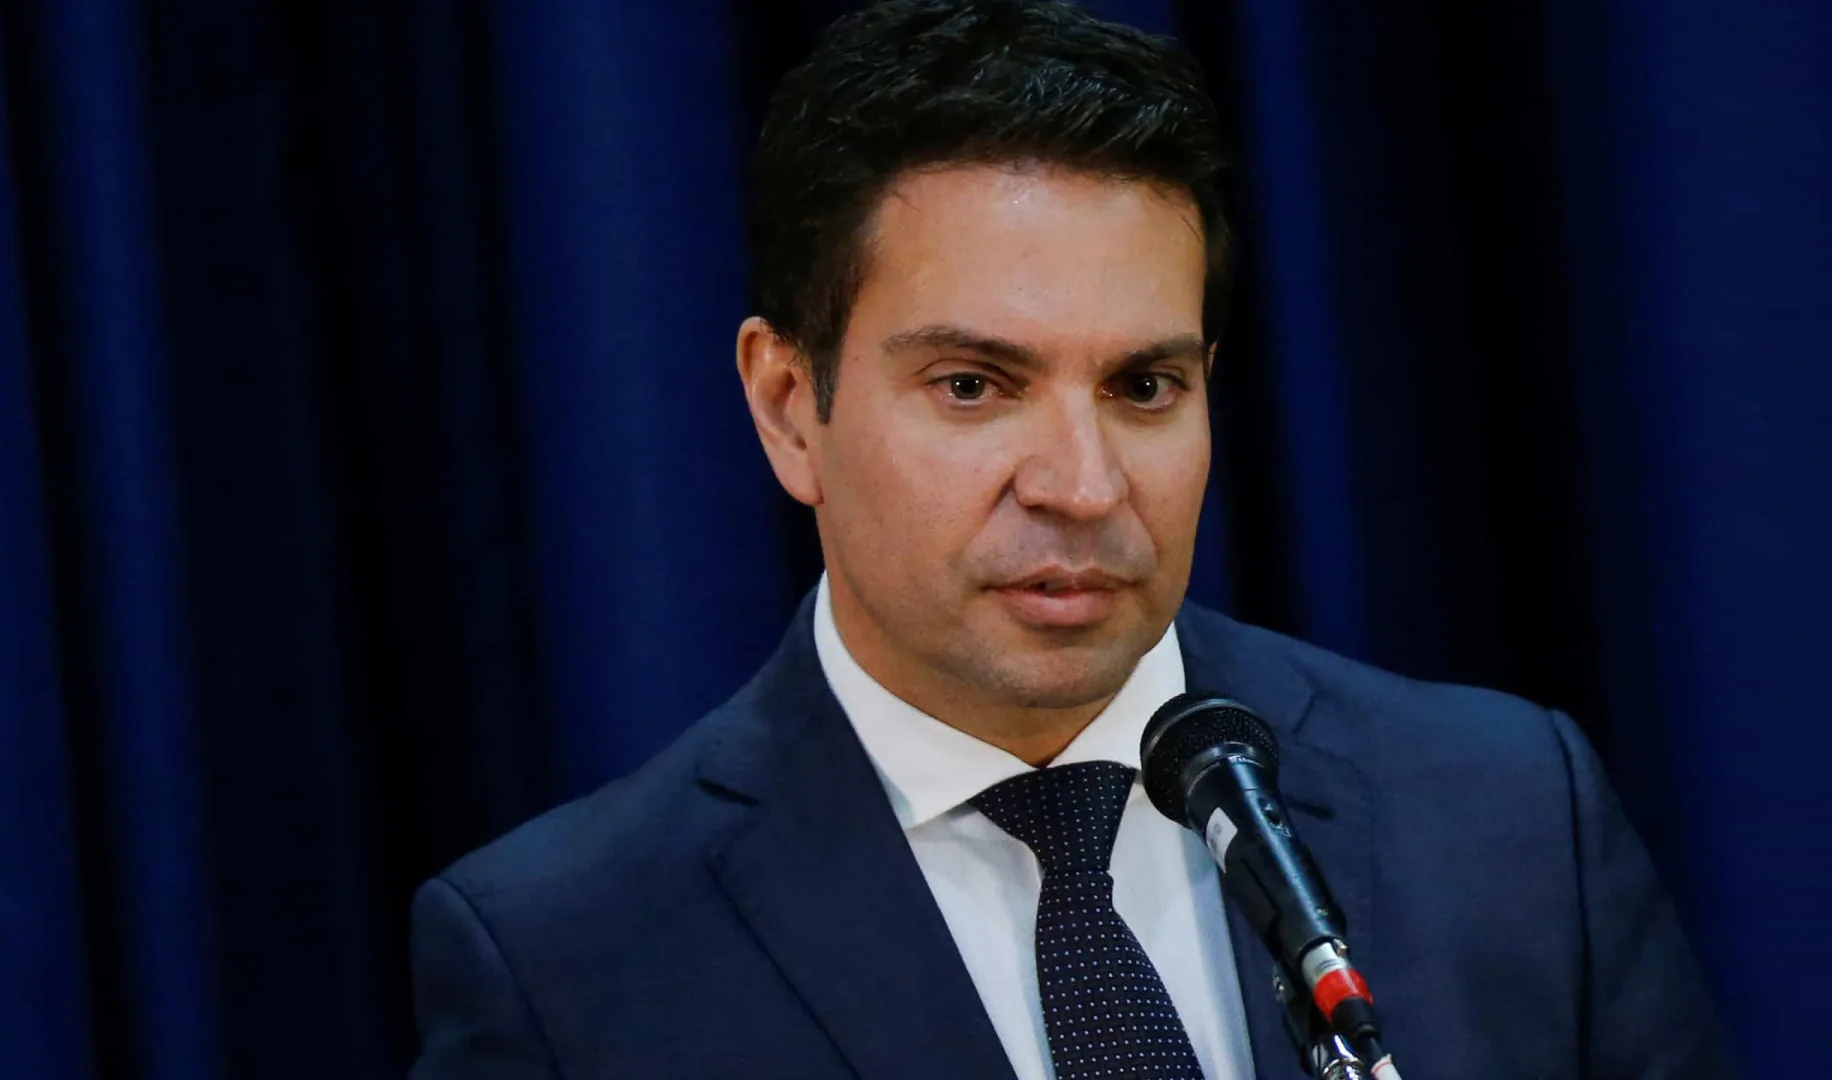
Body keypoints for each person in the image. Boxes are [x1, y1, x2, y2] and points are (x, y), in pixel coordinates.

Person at [409, 2, 1733, 1077]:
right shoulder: (565, 963)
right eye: (973, 386)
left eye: (1143, 387)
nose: (1084, 485)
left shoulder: (1512, 819)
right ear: (788, 406)